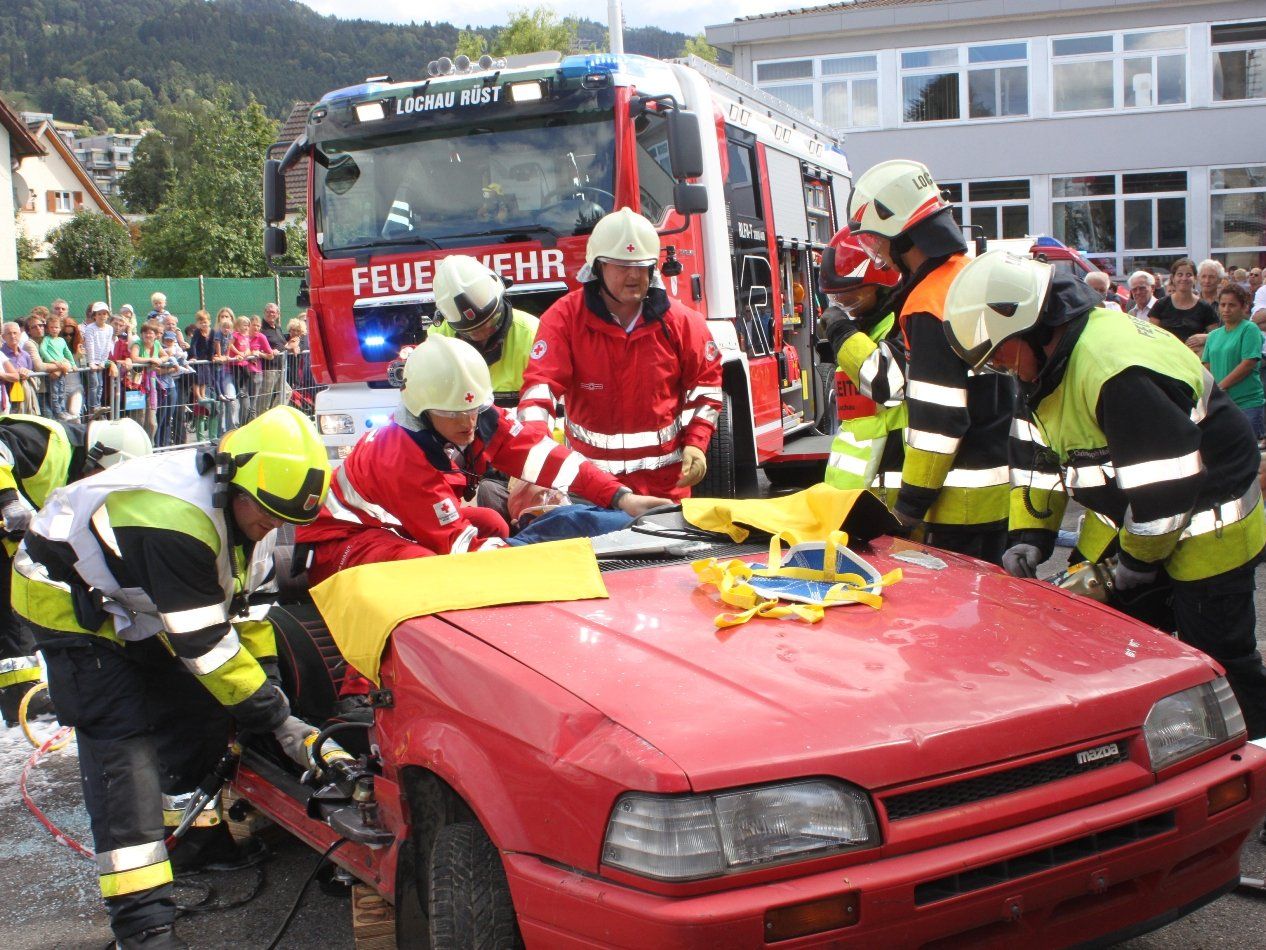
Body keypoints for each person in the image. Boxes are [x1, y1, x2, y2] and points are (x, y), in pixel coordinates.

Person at [15, 406, 332, 949]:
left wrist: (269, 693)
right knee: (124, 747)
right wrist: (279, 721)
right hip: (70, 606)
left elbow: (244, 620)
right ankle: (144, 927)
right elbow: (204, 645)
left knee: (200, 708)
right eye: (266, 515)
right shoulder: (175, 521)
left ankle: (192, 846)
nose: (272, 528)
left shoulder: (246, 520)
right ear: (233, 480)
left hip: (138, 605)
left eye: (283, 520)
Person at [944, 251, 1266, 740]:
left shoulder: (1113, 368)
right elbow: (1036, 463)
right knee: (1117, 641)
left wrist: (1137, 560)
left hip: (1210, 526)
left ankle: (1255, 753)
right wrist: (1030, 534)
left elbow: (1169, 483)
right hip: (1139, 521)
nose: (1002, 369)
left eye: (1001, 354)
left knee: (1221, 659)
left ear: (1034, 326)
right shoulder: (1043, 369)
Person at [297, 333, 670, 583]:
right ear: (423, 411)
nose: (469, 424)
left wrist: (621, 497)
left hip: (394, 522)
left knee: (493, 521)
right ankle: (362, 684)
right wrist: (554, 563)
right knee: (426, 575)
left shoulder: (470, 414)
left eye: (474, 410)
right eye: (456, 415)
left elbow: (548, 458)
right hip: (343, 541)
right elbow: (464, 551)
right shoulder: (400, 457)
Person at [845, 159, 1014, 563]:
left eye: (874, 240)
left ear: (902, 234)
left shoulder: (928, 304)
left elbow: (939, 422)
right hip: (1002, 496)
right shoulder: (969, 279)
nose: (877, 253)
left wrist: (906, 510)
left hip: (957, 510)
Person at [518, 208, 722, 499]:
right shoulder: (564, 319)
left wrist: (697, 443)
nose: (633, 275)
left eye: (641, 266)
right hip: (590, 490)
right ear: (598, 267)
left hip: (664, 489)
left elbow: (707, 387)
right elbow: (540, 390)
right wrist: (535, 454)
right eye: (621, 265)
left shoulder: (682, 323)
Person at [0, 416, 153, 726]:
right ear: (99, 454)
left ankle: (20, 698)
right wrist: (7, 500)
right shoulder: (47, 444)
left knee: (11, 613)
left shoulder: (77, 476)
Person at [815, 225, 906, 500]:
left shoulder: (901, 326)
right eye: (834, 297)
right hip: (853, 496)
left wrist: (841, 331)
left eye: (850, 295)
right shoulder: (864, 332)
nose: (841, 303)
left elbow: (886, 382)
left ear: (883, 284)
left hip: (891, 495)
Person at [1204, 283, 1266, 442]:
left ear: (1244, 307)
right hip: (1220, 405)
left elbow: (1248, 362)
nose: (1225, 309)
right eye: (1223, 305)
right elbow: (1206, 366)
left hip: (1247, 404)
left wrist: (1221, 386)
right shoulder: (1213, 335)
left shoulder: (1249, 329)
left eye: (1232, 305)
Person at [1152, 258, 1217, 347]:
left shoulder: (1204, 307)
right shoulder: (1161, 304)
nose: (1184, 278)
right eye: (1180, 274)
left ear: (1195, 278)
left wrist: (1206, 337)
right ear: (1173, 278)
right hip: (1165, 357)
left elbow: (1218, 337)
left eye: (1189, 274)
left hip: (1193, 357)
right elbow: (1151, 335)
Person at [39, 310, 76, 420]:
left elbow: (67, 352)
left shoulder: (61, 340)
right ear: (48, 328)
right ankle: (58, 411)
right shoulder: (46, 339)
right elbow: (42, 350)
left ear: (60, 328)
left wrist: (73, 363)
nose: (54, 329)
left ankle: (63, 410)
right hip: (53, 370)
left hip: (62, 370)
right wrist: (52, 360)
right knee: (54, 392)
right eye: (52, 327)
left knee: (61, 390)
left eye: (56, 327)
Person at [83, 302, 115, 412]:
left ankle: (97, 404)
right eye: (99, 314)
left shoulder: (110, 329)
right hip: (91, 361)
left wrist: (103, 361)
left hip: (101, 361)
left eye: (104, 314)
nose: (102, 316)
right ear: (94, 316)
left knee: (100, 384)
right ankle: (93, 407)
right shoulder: (90, 328)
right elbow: (89, 345)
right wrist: (91, 362)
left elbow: (107, 345)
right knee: (94, 384)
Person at [257, 303, 286, 412]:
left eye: (273, 312)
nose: (271, 314)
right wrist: (268, 351)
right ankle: (261, 421)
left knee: (287, 392)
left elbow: (283, 343)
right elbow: (256, 344)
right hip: (268, 369)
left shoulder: (278, 328)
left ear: (277, 314)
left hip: (280, 367)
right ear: (264, 313)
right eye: (268, 311)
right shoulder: (261, 328)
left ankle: (273, 414)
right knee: (265, 399)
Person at [1, 321, 35, 414]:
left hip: (24, 396)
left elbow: (32, 371)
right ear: (3, 337)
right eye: (9, 333)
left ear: (20, 334)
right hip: (6, 396)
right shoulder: (1, 354)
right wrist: (15, 373)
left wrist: (27, 372)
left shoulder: (26, 355)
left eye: (15, 333)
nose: (12, 336)